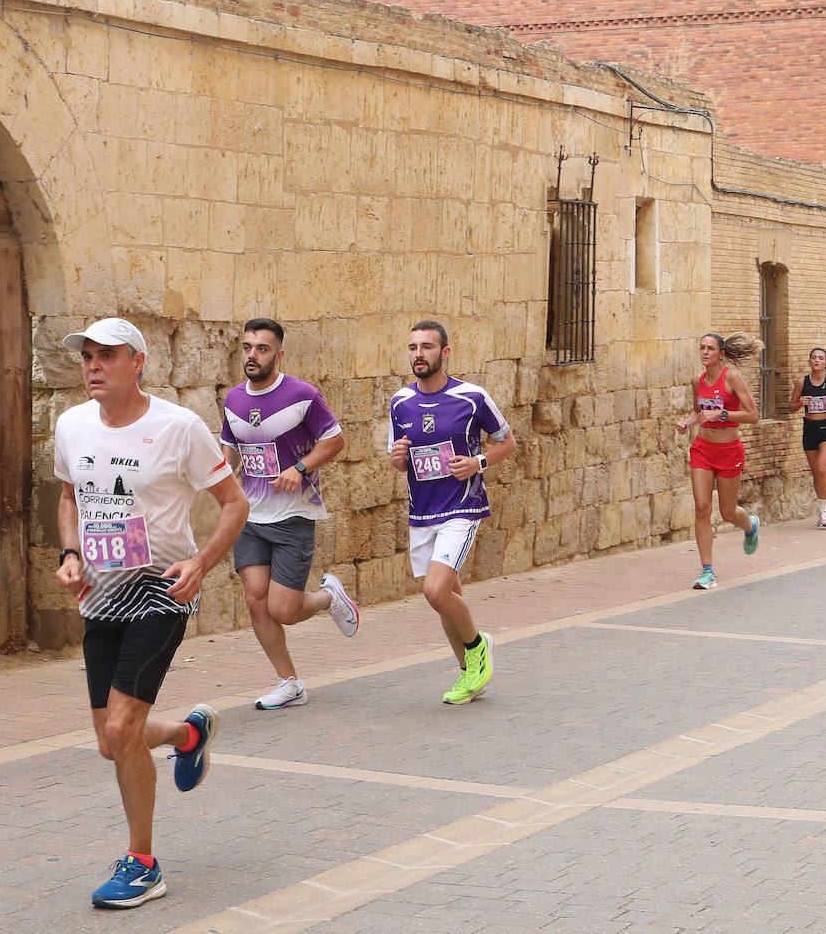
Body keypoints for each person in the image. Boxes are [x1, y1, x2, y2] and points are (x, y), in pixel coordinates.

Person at [53, 318, 249, 909]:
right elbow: (69, 497)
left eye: (105, 355)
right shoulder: (70, 425)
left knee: (121, 729)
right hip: (101, 596)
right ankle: (190, 733)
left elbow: (234, 504)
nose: (92, 366)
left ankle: (143, 863)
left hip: (162, 591)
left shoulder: (179, 428)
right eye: (87, 356)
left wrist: (200, 564)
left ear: (137, 362)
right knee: (112, 742)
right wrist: (69, 553)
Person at [221, 318, 359, 711]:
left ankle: (328, 597)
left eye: (262, 349)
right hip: (250, 515)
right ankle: (290, 682)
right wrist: (214, 474)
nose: (252, 355)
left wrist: (299, 469)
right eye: (247, 347)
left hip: (293, 516)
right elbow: (230, 451)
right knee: (255, 600)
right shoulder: (233, 399)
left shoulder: (302, 395)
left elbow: (334, 440)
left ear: (278, 355)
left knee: (284, 609)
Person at [388, 320, 517, 704]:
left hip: (462, 506)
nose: (418, 354)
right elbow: (401, 460)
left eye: (427, 347)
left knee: (435, 591)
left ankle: (478, 647)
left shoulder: (472, 397)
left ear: (444, 353)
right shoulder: (399, 403)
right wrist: (398, 458)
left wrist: (478, 462)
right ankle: (469, 674)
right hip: (422, 512)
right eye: (413, 348)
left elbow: (507, 443)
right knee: (446, 596)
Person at [675, 332, 764, 589]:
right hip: (702, 448)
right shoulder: (697, 380)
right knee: (702, 507)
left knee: (727, 512)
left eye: (710, 348)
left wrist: (722, 413)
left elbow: (753, 415)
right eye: (702, 348)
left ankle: (750, 526)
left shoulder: (732, 378)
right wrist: (687, 423)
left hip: (728, 451)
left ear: (720, 353)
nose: (704, 352)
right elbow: (698, 411)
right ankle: (707, 571)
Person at [787, 347, 826, 527]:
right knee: (817, 471)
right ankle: (825, 503)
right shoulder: (802, 383)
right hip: (810, 428)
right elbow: (791, 407)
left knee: (821, 465)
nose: (817, 361)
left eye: (820, 358)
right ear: (809, 361)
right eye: (814, 358)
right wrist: (801, 403)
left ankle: (823, 511)